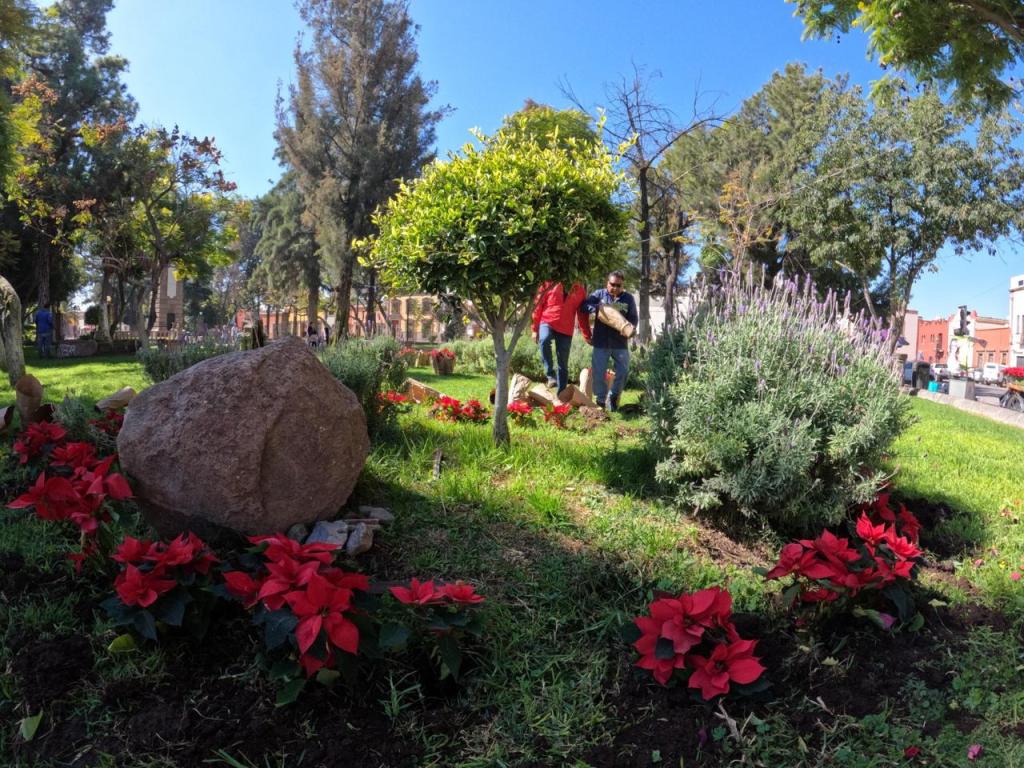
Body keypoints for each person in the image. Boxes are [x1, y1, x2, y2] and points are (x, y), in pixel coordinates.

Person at [582, 271, 638, 412]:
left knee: (623, 372)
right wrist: (597, 309)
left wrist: (630, 328)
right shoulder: (599, 295)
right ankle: (600, 400)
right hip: (601, 341)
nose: (615, 288)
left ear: (622, 285)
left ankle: (613, 397)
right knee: (598, 373)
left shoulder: (628, 298)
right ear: (607, 283)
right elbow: (584, 305)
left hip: (620, 342)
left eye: (618, 285)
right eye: (612, 284)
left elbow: (633, 318)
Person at [531, 281, 592, 393]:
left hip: (566, 327)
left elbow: (582, 315)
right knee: (544, 339)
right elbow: (538, 305)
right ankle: (550, 375)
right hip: (548, 320)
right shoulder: (549, 283)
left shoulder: (580, 290)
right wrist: (535, 329)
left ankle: (562, 394)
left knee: (563, 363)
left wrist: (587, 335)